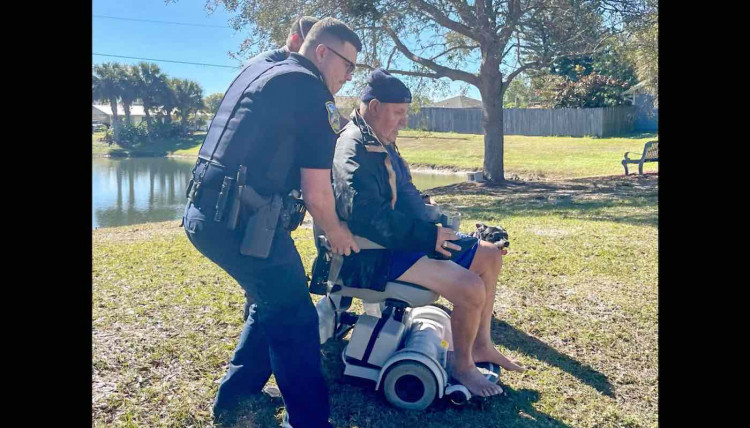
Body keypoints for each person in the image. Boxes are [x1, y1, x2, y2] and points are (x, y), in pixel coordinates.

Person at [182, 17, 362, 427]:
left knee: (274, 295)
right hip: (238, 223)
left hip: (205, 214)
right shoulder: (312, 93)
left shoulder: (262, 67)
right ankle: (310, 421)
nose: (347, 76)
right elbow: (317, 193)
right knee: (295, 317)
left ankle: (237, 395)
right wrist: (338, 233)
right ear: (321, 53)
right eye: (346, 65)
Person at [332, 68, 525, 399]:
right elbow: (363, 216)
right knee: (469, 288)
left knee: (490, 255)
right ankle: (462, 367)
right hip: (375, 253)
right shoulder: (354, 147)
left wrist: (431, 217)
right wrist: (426, 236)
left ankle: (481, 346)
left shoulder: (380, 139)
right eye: (398, 113)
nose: (403, 122)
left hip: (406, 240)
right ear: (374, 106)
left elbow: (400, 195)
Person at [238, 16, 319, 324]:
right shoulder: (279, 72)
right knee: (269, 281)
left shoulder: (271, 69)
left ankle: (259, 322)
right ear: (299, 42)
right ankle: (258, 321)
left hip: (272, 194)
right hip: (256, 194)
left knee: (268, 277)